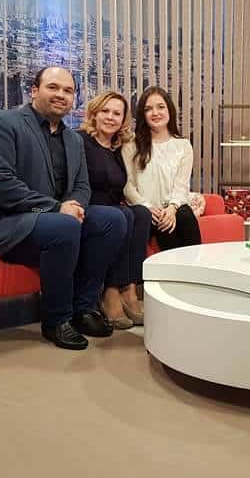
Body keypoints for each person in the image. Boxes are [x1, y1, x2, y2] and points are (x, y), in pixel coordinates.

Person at [0, 66, 127, 350]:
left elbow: (82, 186)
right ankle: (57, 319)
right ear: (34, 91)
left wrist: (74, 207)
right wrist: (56, 208)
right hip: (9, 222)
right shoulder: (2, 123)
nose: (61, 95)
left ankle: (84, 308)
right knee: (64, 225)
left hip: (56, 223)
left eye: (68, 91)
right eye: (53, 87)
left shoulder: (73, 139)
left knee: (113, 219)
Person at [80, 91, 152, 329]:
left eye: (117, 114)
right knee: (124, 215)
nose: (110, 117)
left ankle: (129, 288)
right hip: (89, 208)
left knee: (141, 213)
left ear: (123, 120)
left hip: (114, 210)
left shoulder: (118, 148)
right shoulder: (81, 141)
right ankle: (110, 290)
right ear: (94, 114)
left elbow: (127, 185)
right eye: (105, 111)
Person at [122, 86, 202, 251]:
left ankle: (195, 265)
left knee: (183, 215)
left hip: (173, 209)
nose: (155, 113)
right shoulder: (131, 145)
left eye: (160, 107)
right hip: (144, 210)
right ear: (142, 115)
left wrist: (172, 208)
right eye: (148, 109)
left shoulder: (183, 145)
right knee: (157, 220)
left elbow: (181, 185)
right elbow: (128, 186)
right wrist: (147, 207)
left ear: (169, 110)